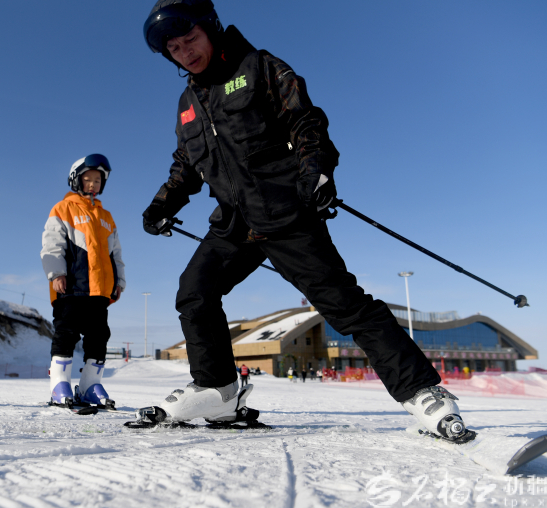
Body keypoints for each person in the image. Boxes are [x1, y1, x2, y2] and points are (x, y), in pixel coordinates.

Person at [136, 0, 469, 442]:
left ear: (210, 28)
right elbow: (187, 164)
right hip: (233, 222)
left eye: (190, 39)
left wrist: (317, 168)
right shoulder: (187, 103)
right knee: (194, 292)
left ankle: (423, 392)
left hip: (283, 210)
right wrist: (163, 204)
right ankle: (218, 389)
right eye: (174, 49)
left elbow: (304, 120)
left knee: (343, 305)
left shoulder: (258, 66)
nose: (185, 52)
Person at [41, 155, 126, 409]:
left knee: (98, 336)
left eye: (97, 180)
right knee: (66, 332)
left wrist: (119, 280)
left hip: (99, 290)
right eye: (87, 179)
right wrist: (56, 274)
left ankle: (90, 385)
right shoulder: (63, 209)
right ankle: (60, 384)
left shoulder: (106, 217)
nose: (92, 184)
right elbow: (52, 244)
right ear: (75, 180)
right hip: (71, 287)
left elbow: (116, 253)